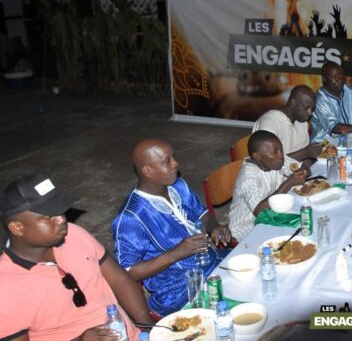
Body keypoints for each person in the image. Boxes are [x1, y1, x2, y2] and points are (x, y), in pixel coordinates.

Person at [0, 174, 153, 341]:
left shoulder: (73, 234)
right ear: (17, 228)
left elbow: (120, 280)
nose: (61, 219)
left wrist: (150, 330)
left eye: (60, 211)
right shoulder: (6, 288)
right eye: (48, 216)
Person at [112, 138, 232, 317]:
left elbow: (202, 215)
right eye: (167, 161)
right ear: (147, 171)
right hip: (178, 290)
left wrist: (215, 227)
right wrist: (177, 253)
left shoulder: (178, 186)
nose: (176, 163)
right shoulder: (131, 217)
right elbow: (128, 272)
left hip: (211, 263)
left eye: (173, 157)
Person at [228, 130, 310, 240]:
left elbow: (305, 169)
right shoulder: (248, 177)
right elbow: (260, 212)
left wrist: (303, 172)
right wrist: (289, 183)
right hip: (247, 229)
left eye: (281, 149)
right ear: (257, 156)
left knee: (306, 222)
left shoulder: (274, 160)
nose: (281, 155)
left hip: (272, 216)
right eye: (275, 152)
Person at [252, 85, 323, 161]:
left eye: (312, 109)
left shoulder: (302, 123)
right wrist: (305, 153)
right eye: (307, 108)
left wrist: (308, 161)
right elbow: (268, 161)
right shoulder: (270, 121)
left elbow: (305, 159)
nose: (310, 113)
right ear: (293, 103)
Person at [311, 62, 352, 141]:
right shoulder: (319, 99)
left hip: (350, 140)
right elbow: (336, 128)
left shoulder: (349, 90)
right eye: (334, 77)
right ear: (324, 79)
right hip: (325, 144)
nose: (339, 79)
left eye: (341, 76)